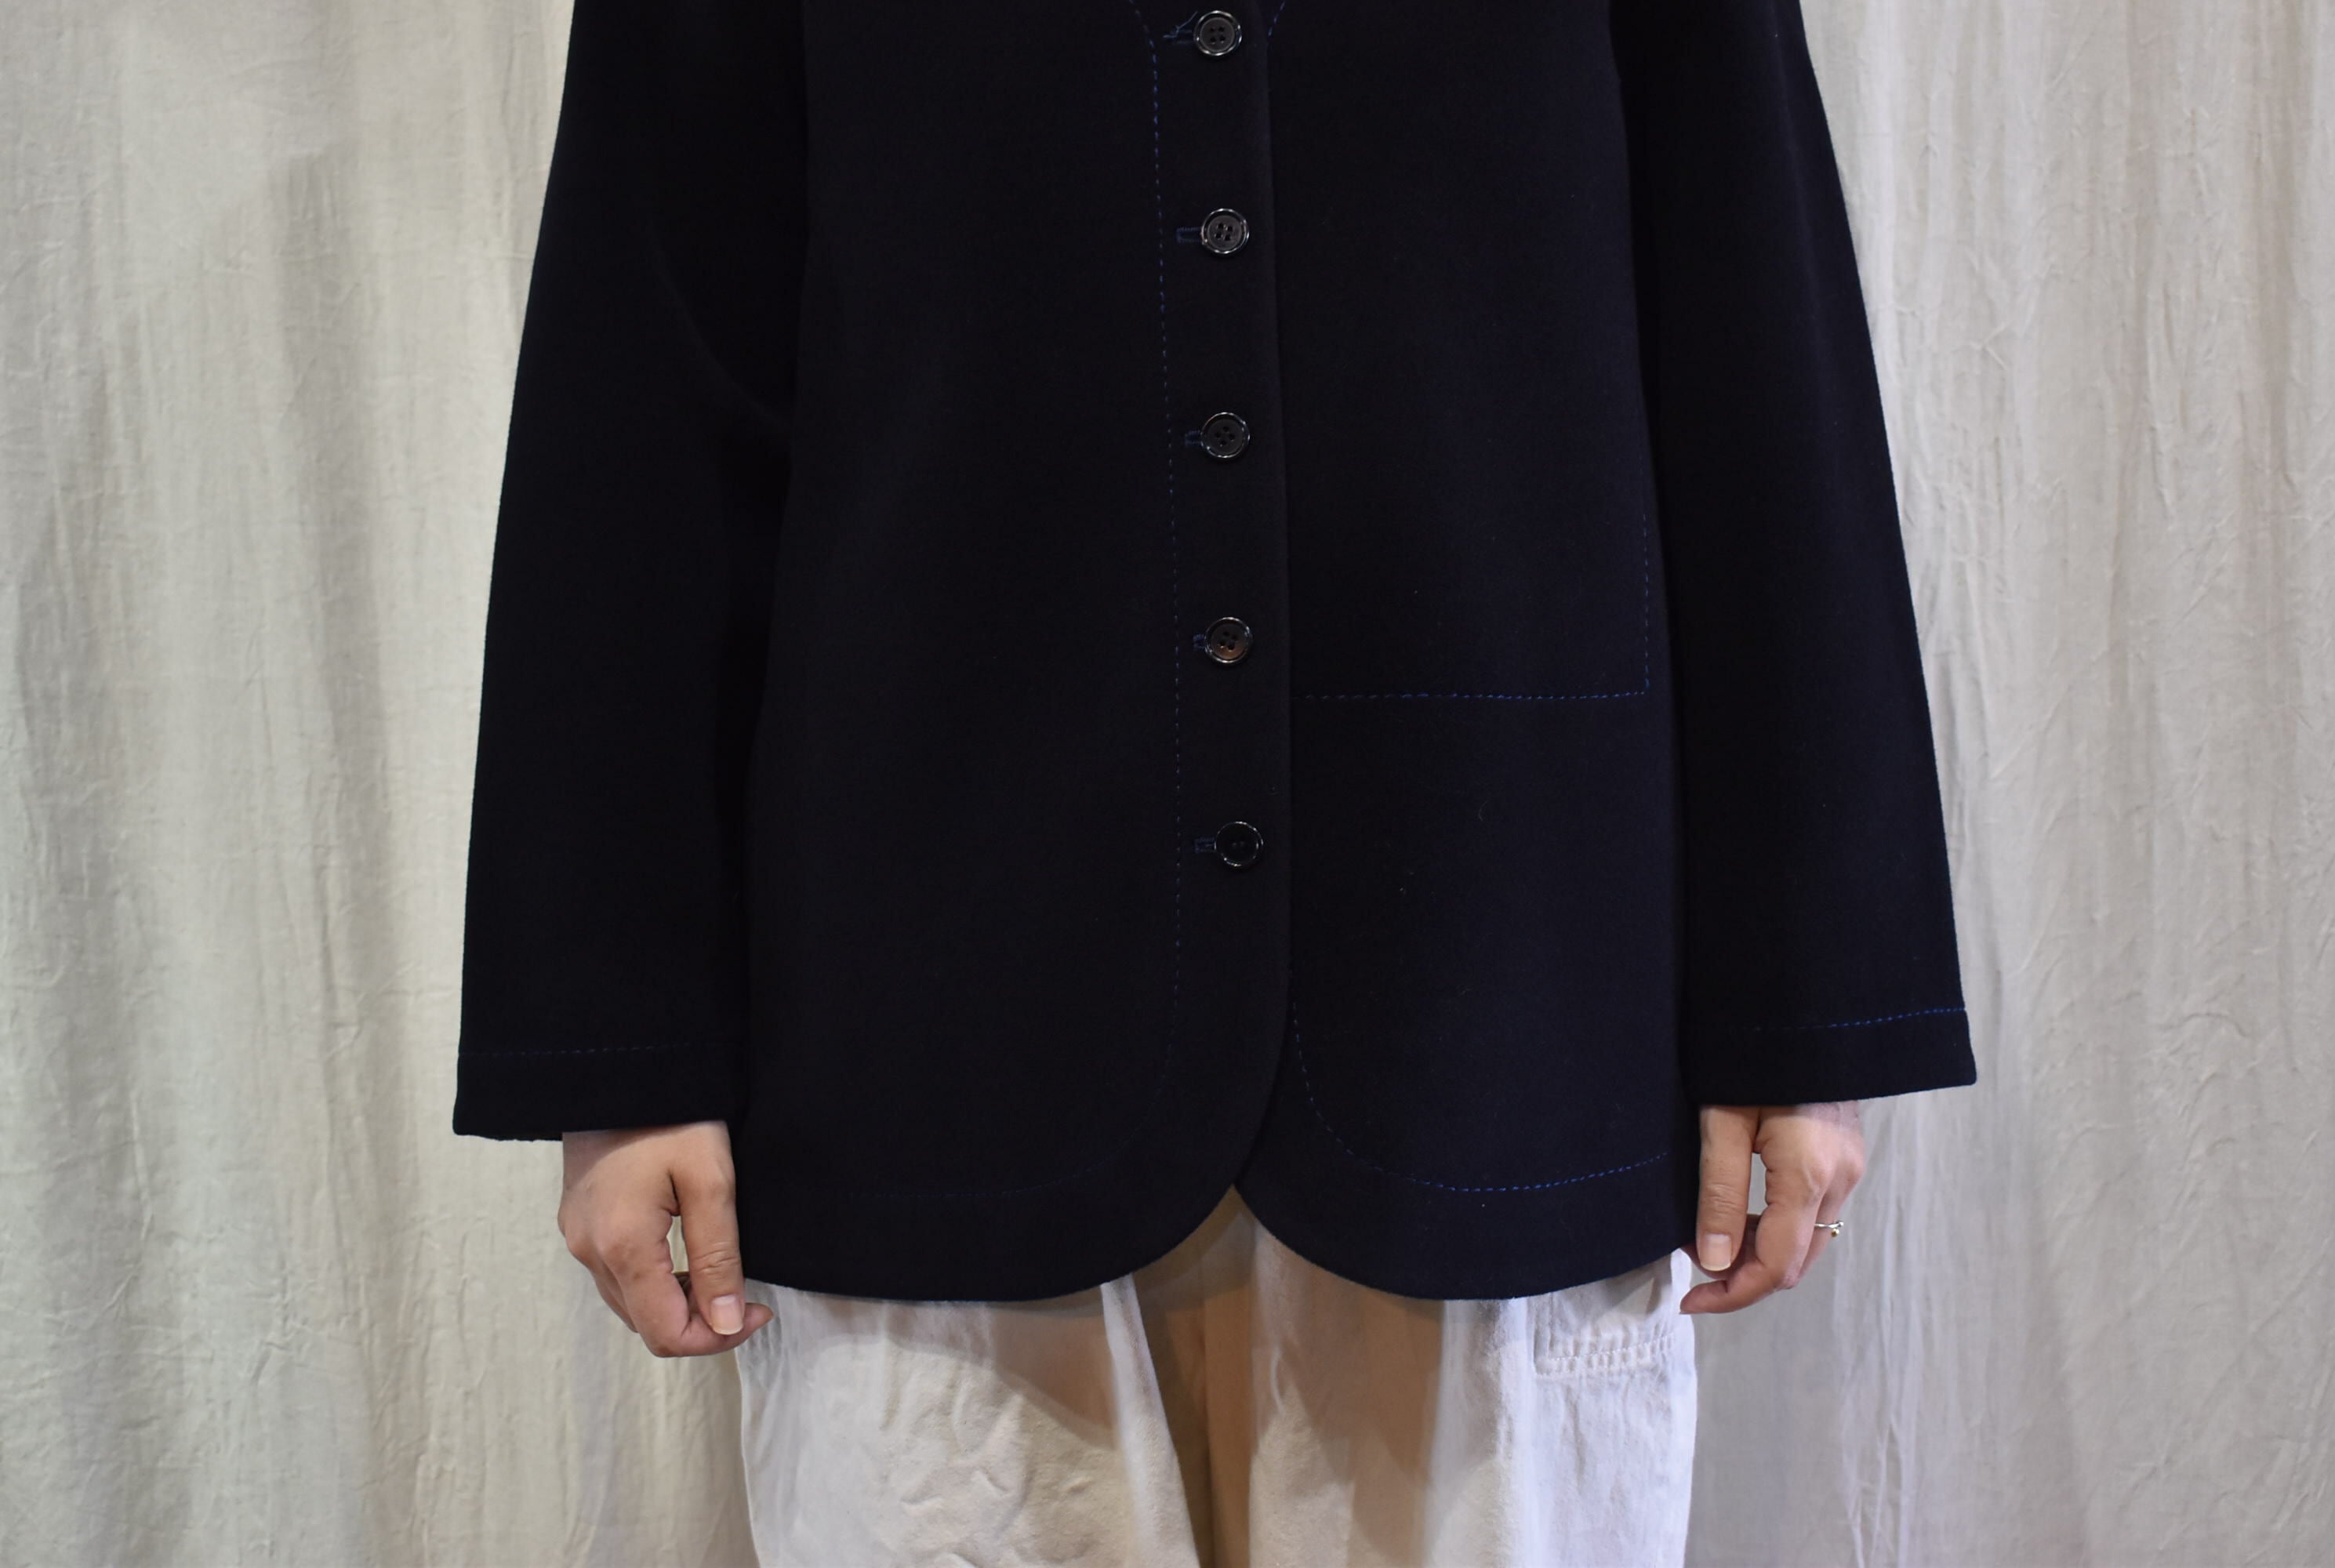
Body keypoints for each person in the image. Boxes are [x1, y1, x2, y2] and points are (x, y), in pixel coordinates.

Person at [454, 2, 1977, 1563]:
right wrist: (620, 1048)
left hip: (1489, 985)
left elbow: (1756, 358)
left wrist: (1804, 1004)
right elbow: (643, 412)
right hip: (935, 1011)